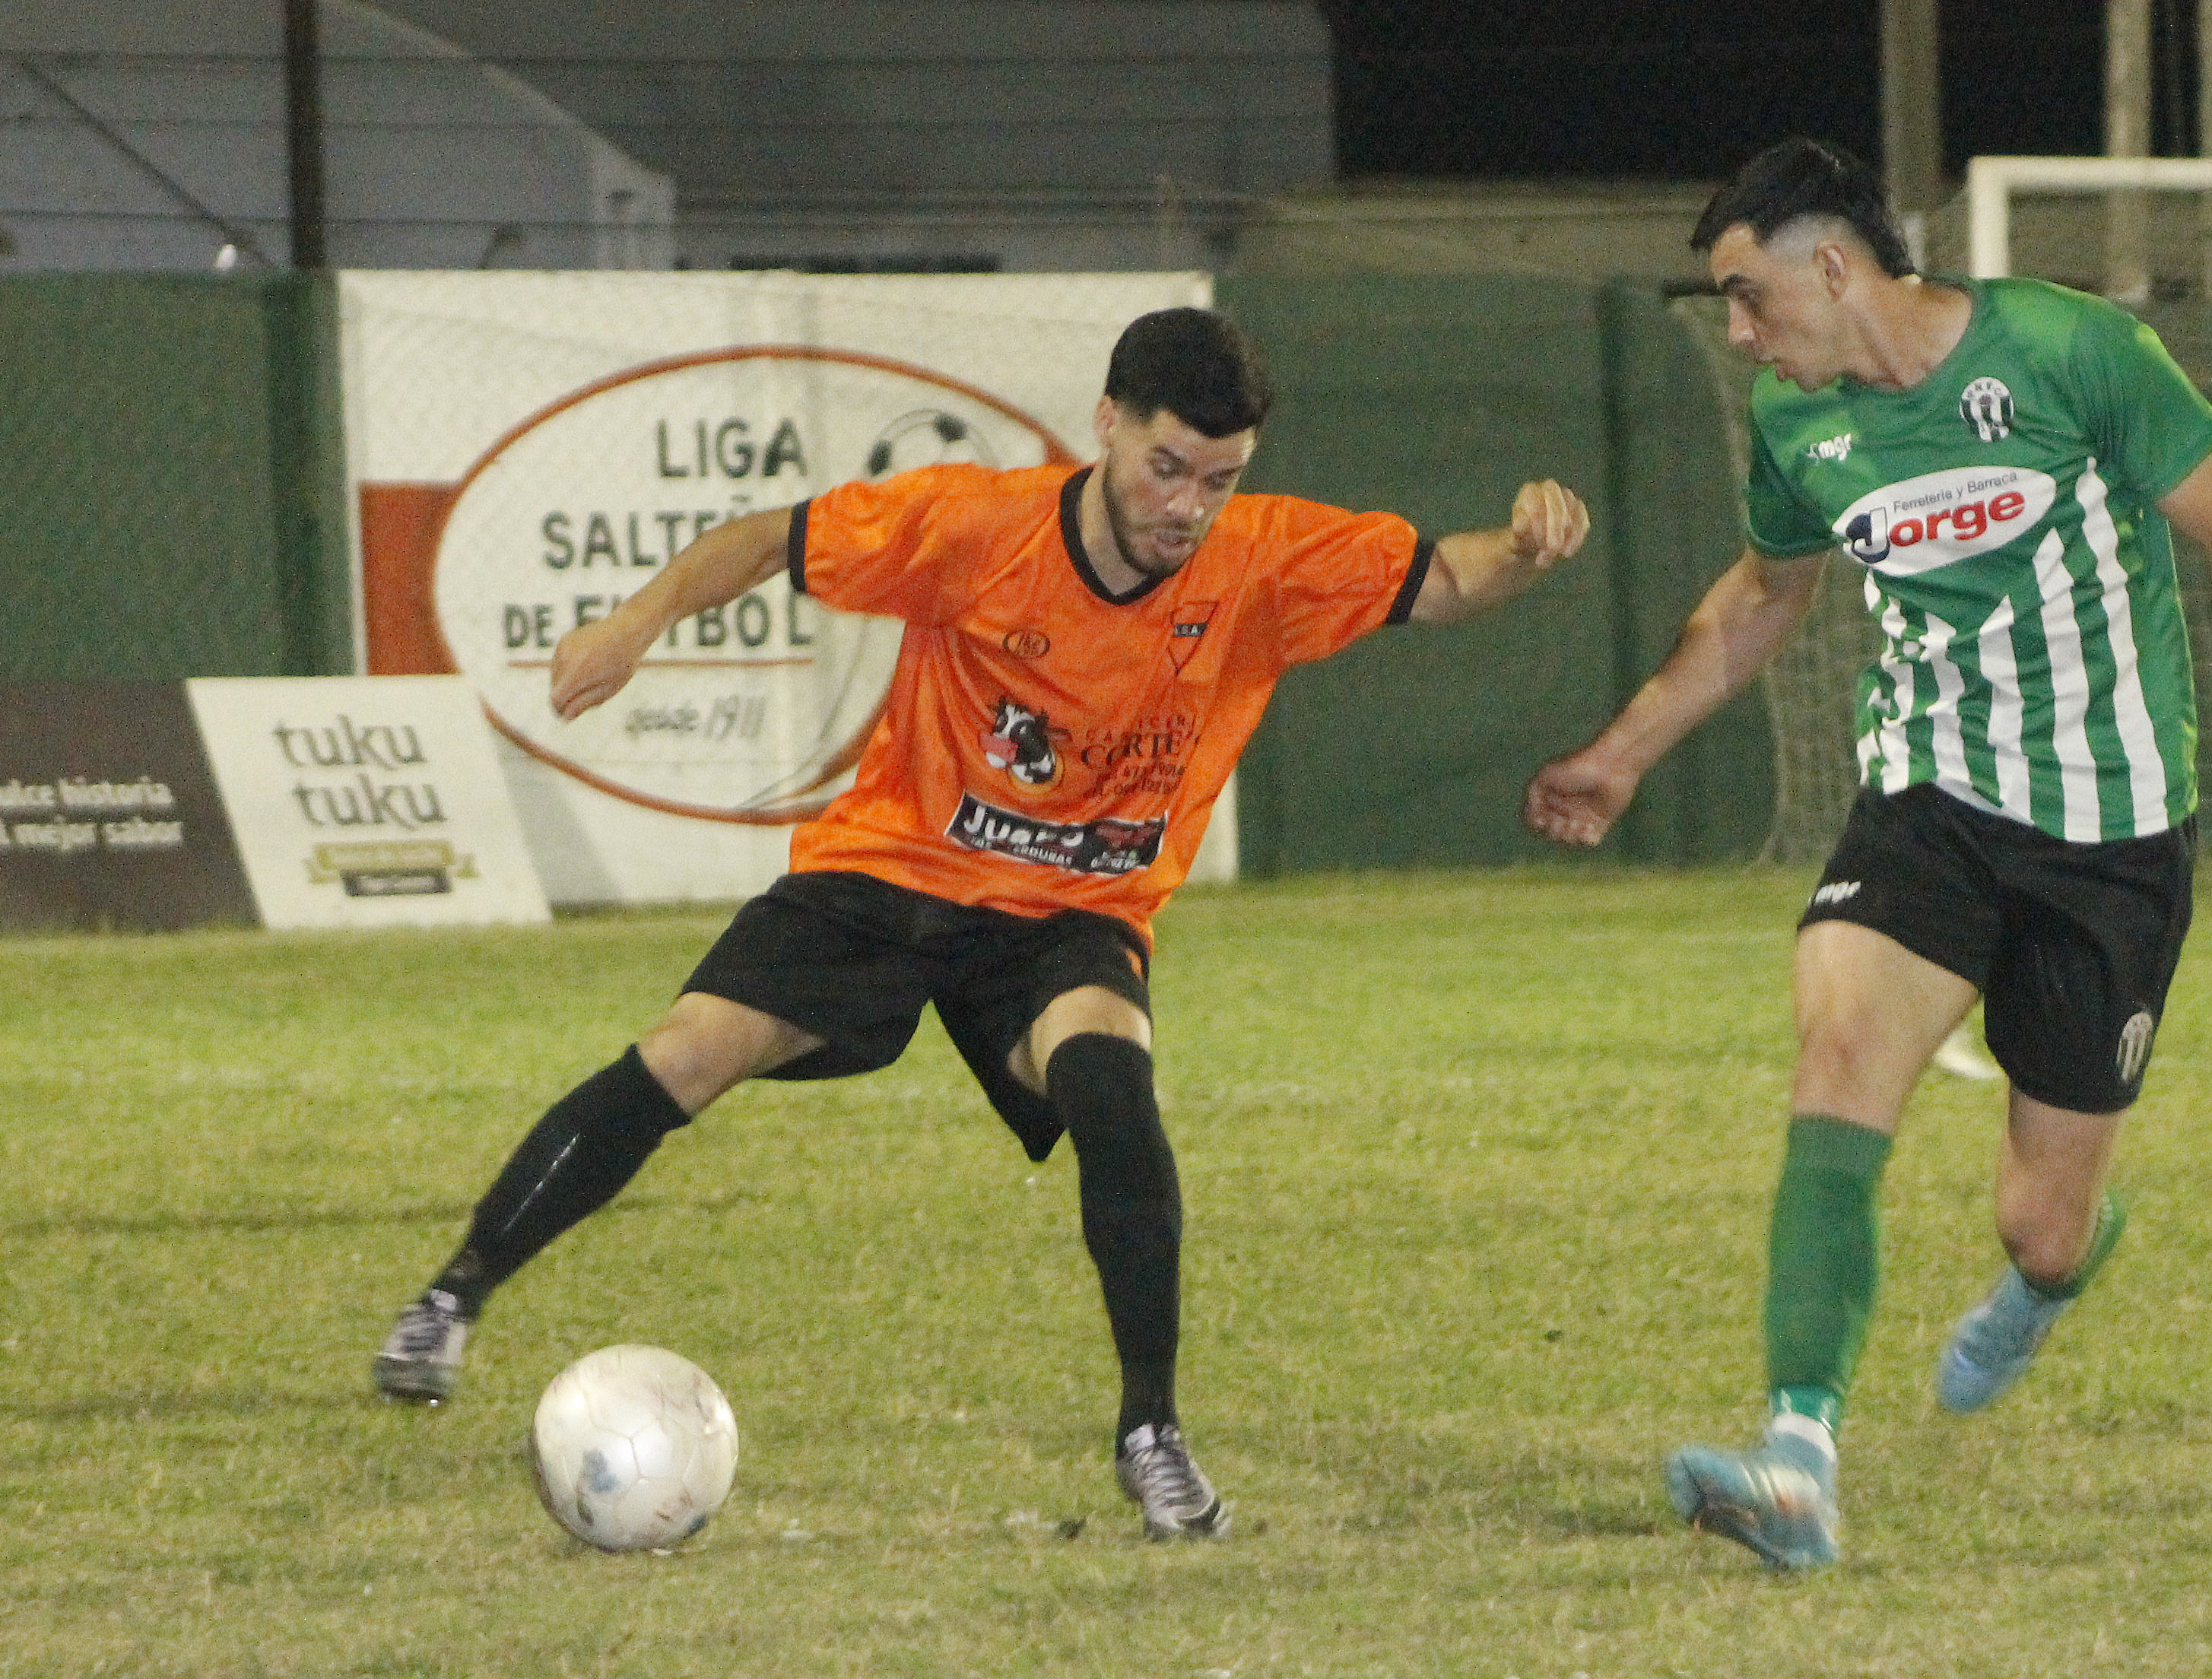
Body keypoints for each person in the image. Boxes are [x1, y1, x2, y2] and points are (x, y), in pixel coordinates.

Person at [373, 306, 1592, 1541]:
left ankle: (1151, 1431)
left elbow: (1438, 579)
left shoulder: (1264, 561)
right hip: (893, 870)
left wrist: (1525, 549)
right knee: (687, 1051)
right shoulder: (975, 527)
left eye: (1220, 481)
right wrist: (633, 625)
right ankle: (454, 1294)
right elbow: (763, 540)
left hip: (1070, 911)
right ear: (1108, 426)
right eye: (1167, 468)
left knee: (1113, 1087)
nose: (1188, 507)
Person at [1524, 140, 2212, 1571]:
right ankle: (1797, 1459)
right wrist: (1624, 750)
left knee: (2039, 1223)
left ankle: (2053, 1274)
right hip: (1931, 800)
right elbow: (1764, 595)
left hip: (2111, 836)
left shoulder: (2071, 349)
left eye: (1744, 295)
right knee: (1838, 1052)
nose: (1735, 331)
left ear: (1832, 265)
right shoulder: (1801, 426)